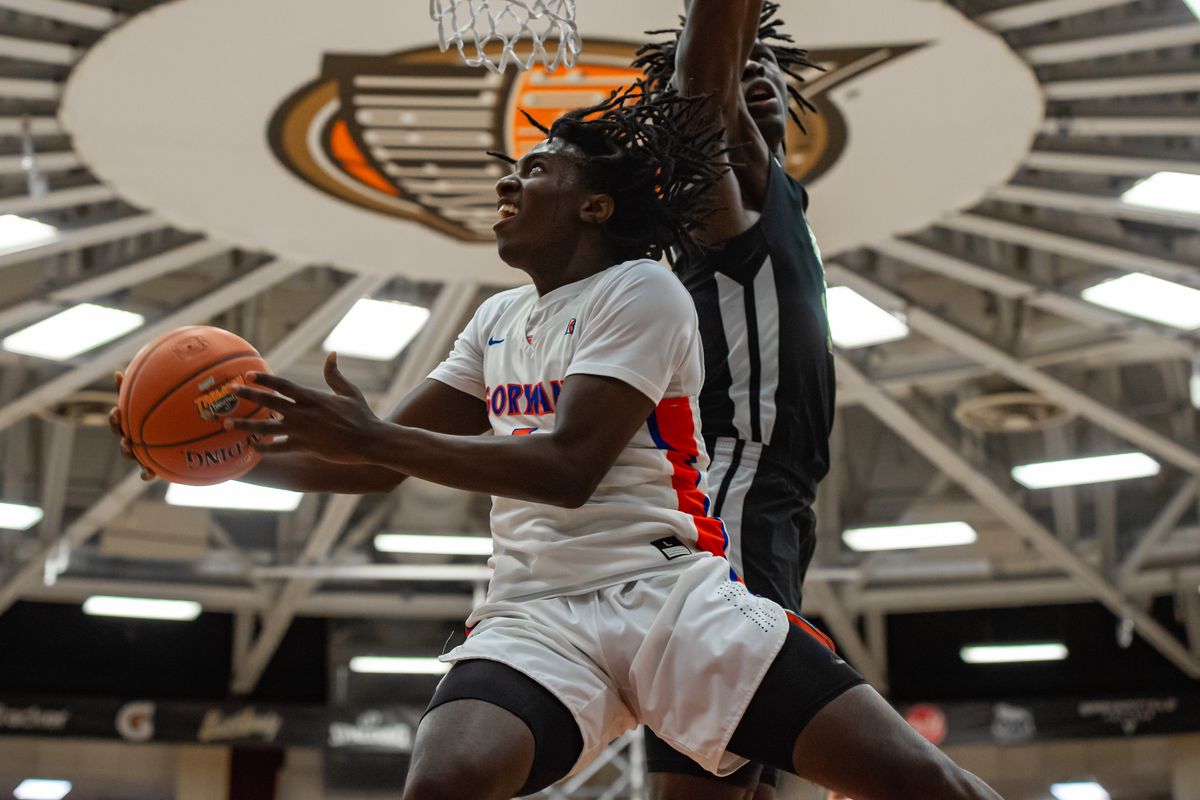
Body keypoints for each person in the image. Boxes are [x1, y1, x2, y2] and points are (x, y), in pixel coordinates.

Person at [111, 84, 997, 800]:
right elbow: (376, 465)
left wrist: (371, 434)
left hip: (667, 598)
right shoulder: (498, 317)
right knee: (447, 780)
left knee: (920, 781)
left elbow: (568, 470)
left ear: (595, 206)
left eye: (532, 170)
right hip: (534, 615)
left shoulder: (645, 293)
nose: (505, 184)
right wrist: (210, 462)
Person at [634, 3, 837, 797]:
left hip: (779, 504)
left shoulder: (786, 204)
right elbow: (697, 106)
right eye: (737, 67)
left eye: (767, 69)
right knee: (702, 780)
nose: (751, 78)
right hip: (734, 492)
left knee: (748, 774)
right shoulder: (718, 208)